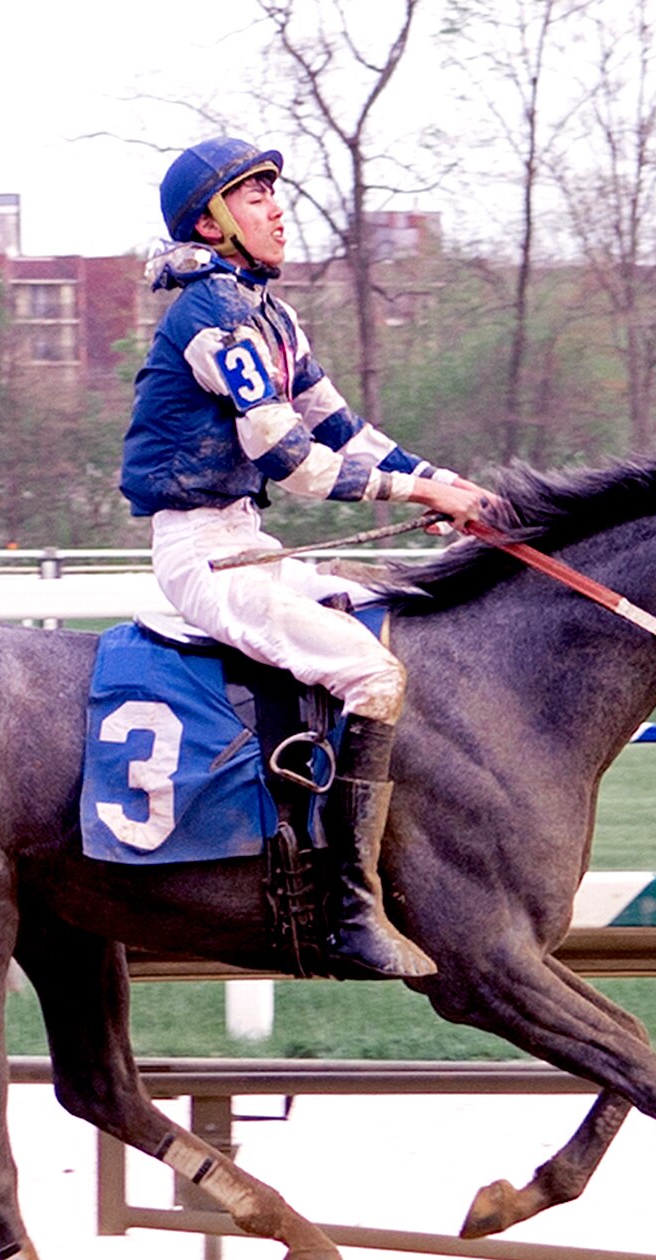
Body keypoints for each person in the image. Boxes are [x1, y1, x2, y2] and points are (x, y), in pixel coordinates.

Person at [119, 137, 498, 981]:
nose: (277, 208)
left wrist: (448, 484)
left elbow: (346, 432)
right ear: (211, 224)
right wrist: (419, 497)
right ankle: (350, 904)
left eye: (270, 193)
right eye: (254, 197)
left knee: (379, 624)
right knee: (373, 679)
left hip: (248, 543)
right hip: (203, 558)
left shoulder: (270, 317)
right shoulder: (211, 320)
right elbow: (295, 459)